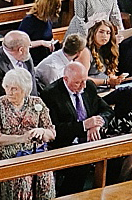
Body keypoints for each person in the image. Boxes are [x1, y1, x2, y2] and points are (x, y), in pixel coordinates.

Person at [0, 68, 56, 200]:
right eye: (7, 87)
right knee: (22, 176)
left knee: (45, 174)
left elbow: (51, 133)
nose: (9, 92)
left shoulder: (37, 103)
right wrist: (21, 138)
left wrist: (41, 131)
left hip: (34, 150)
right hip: (6, 150)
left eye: (14, 89)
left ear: (25, 89)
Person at [41, 62, 110, 192]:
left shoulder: (88, 86)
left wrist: (97, 124)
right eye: (78, 83)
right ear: (65, 79)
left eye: (84, 81)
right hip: (66, 144)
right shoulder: (50, 94)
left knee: (114, 157)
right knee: (81, 165)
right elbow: (55, 129)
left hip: (93, 138)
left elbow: (106, 110)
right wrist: (84, 125)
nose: (83, 86)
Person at [0, 31, 38, 103]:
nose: (29, 49)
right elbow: (0, 99)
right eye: (29, 46)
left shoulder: (25, 57)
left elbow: (33, 86)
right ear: (21, 50)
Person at [85, 17, 126, 90]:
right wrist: (106, 81)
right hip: (93, 92)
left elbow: (109, 73)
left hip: (107, 89)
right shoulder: (85, 51)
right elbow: (82, 79)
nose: (105, 36)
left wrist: (115, 79)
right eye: (101, 32)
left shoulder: (106, 49)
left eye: (108, 33)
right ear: (93, 32)